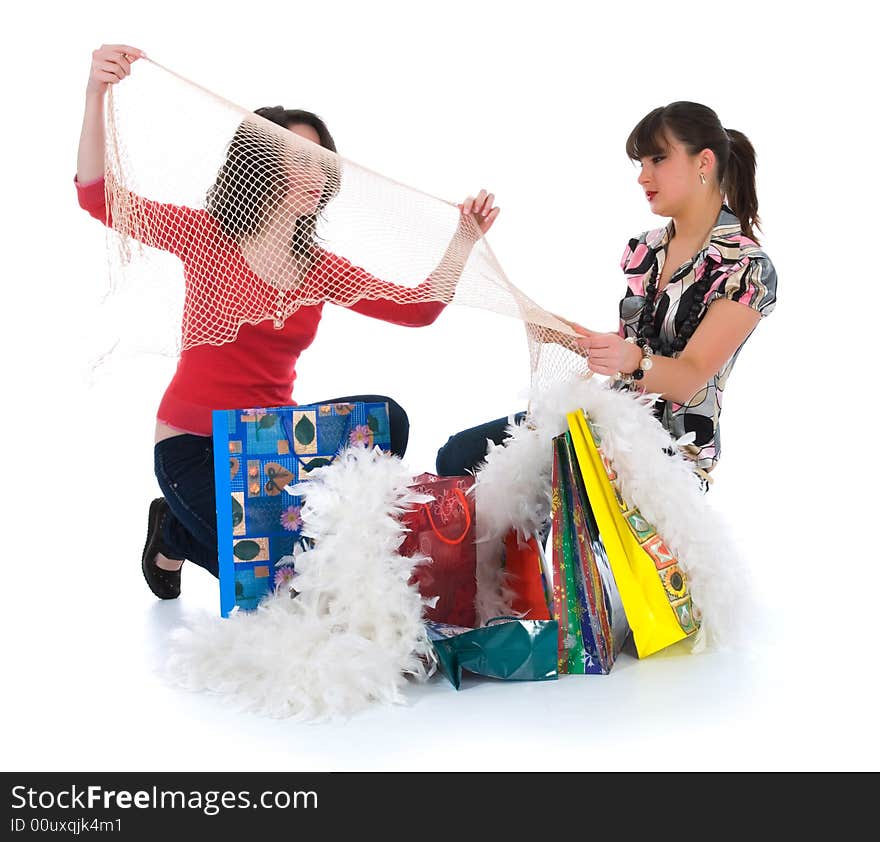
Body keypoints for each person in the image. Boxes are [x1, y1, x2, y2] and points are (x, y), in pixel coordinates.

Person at [76, 44, 500, 598]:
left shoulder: (321, 269)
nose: (312, 172)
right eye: (295, 158)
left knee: (386, 419)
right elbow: (99, 198)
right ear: (258, 164)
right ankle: (174, 529)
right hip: (193, 444)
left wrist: (464, 240)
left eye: (321, 161)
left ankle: (211, 527)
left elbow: (417, 309)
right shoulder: (207, 237)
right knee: (270, 585)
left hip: (272, 444)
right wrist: (95, 92)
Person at [436, 101, 777, 489]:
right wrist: (553, 326)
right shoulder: (646, 249)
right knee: (459, 457)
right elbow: (626, 345)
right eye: (641, 163)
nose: (643, 176)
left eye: (658, 159)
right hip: (609, 419)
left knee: (548, 484)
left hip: (668, 454)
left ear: (704, 162)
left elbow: (691, 378)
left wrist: (631, 361)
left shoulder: (746, 267)